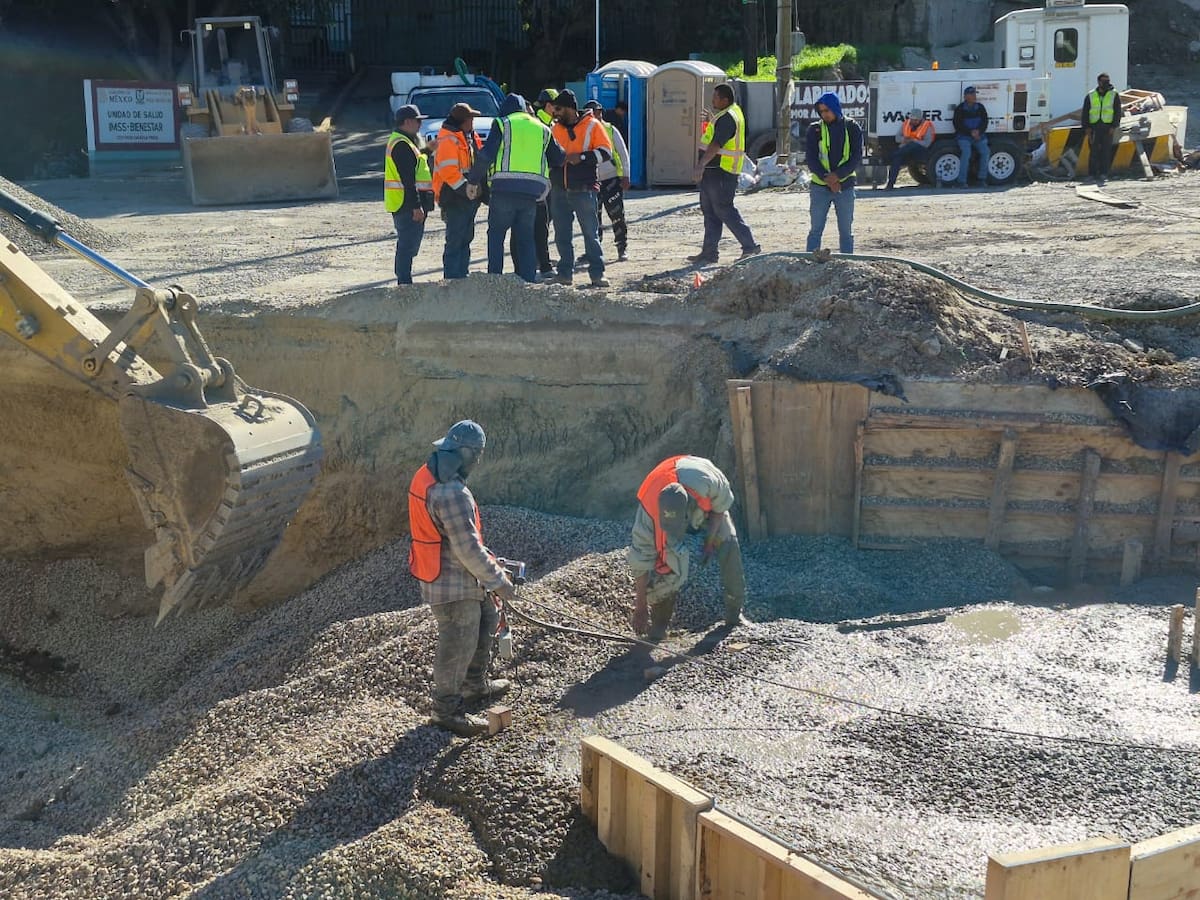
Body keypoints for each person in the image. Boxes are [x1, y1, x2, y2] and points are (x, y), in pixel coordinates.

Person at [409, 419, 517, 737]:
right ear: (468, 453)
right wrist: (499, 582)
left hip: (452, 572)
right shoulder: (452, 493)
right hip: (450, 582)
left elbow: (461, 543)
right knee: (458, 640)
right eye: (478, 454)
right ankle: (447, 711)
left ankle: (474, 686)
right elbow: (468, 549)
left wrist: (490, 580)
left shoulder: (432, 473)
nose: (479, 460)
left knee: (486, 617)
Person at [628, 455, 749, 642]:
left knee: (729, 545)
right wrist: (640, 606)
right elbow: (640, 559)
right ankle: (659, 627)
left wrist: (710, 542)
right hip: (666, 496)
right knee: (666, 561)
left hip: (703, 496)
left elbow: (719, 510)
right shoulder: (648, 511)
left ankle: (735, 614)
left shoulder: (711, 481)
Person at [467, 93, 565, 283]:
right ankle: (527, 280)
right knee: (525, 237)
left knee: (496, 234)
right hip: (531, 193)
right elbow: (559, 158)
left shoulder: (503, 123)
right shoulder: (543, 128)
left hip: (503, 189)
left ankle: (495, 279)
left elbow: (486, 155)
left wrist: (473, 180)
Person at [688, 83, 760, 265]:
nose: (712, 100)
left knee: (724, 209)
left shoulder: (728, 117)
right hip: (715, 172)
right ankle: (709, 253)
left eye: (715, 98)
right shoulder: (728, 114)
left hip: (721, 172)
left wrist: (701, 165)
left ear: (725, 100)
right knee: (711, 212)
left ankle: (750, 246)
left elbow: (716, 144)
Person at [549, 89, 612, 288]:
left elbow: (606, 152)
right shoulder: (554, 128)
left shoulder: (593, 125)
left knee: (590, 234)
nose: (555, 113)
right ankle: (565, 274)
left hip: (584, 188)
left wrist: (581, 157)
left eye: (558, 109)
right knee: (562, 235)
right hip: (559, 189)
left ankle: (597, 274)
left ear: (569, 108)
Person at [805, 91, 862, 254]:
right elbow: (811, 159)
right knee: (815, 230)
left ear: (835, 108)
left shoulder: (851, 127)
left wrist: (838, 177)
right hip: (820, 187)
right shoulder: (814, 129)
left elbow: (856, 157)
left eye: (827, 110)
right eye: (821, 111)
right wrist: (829, 179)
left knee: (846, 232)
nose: (824, 115)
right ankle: (810, 262)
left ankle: (847, 264)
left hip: (845, 187)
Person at [433, 102, 484, 279]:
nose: (473, 122)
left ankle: (461, 275)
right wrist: (467, 189)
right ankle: (453, 278)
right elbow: (448, 171)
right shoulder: (449, 139)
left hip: (463, 197)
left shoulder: (465, 136)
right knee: (455, 239)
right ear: (463, 120)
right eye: (471, 118)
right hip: (454, 198)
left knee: (465, 238)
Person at [385, 104, 435, 285]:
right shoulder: (402, 144)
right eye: (418, 120)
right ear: (407, 122)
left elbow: (414, 163)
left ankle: (404, 282)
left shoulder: (404, 142)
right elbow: (408, 179)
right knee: (407, 246)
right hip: (406, 205)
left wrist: (428, 150)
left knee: (408, 245)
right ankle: (404, 284)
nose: (420, 124)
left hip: (404, 203)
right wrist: (416, 206)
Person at [584, 99, 631, 263]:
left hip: (611, 179)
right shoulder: (584, 131)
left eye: (593, 113)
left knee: (617, 215)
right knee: (592, 217)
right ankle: (593, 250)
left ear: (599, 113)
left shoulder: (610, 130)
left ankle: (622, 247)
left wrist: (626, 175)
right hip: (591, 181)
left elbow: (623, 153)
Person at [530, 89, 559, 275]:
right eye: (557, 106)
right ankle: (541, 261)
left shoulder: (550, 123)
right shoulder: (541, 125)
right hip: (540, 183)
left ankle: (540, 259)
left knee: (544, 223)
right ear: (549, 106)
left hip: (545, 181)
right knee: (540, 224)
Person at [1082, 72, 1122, 186]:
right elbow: (1085, 112)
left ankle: (1104, 173)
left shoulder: (1114, 94)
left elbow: (1117, 111)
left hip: (1107, 127)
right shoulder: (1091, 95)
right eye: (1104, 81)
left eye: (1108, 81)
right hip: (1094, 127)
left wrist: (1114, 126)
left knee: (1106, 151)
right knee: (1093, 152)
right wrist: (1086, 127)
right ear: (1099, 82)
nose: (1107, 83)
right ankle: (1092, 174)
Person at [885, 108, 935, 190]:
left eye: (915, 120)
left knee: (912, 145)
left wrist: (914, 141)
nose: (913, 121)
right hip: (905, 150)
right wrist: (904, 140)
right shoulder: (906, 123)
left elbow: (927, 143)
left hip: (919, 152)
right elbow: (897, 138)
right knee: (897, 159)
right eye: (912, 119)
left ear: (920, 119)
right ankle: (890, 184)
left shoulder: (926, 126)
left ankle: (893, 155)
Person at [952, 86, 990, 188]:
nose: (974, 96)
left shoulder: (980, 107)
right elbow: (957, 125)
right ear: (965, 96)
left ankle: (982, 179)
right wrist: (970, 133)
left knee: (986, 152)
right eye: (971, 94)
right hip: (964, 137)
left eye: (974, 94)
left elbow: (985, 122)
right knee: (966, 153)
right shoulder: (960, 109)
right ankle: (962, 181)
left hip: (979, 136)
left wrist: (979, 132)